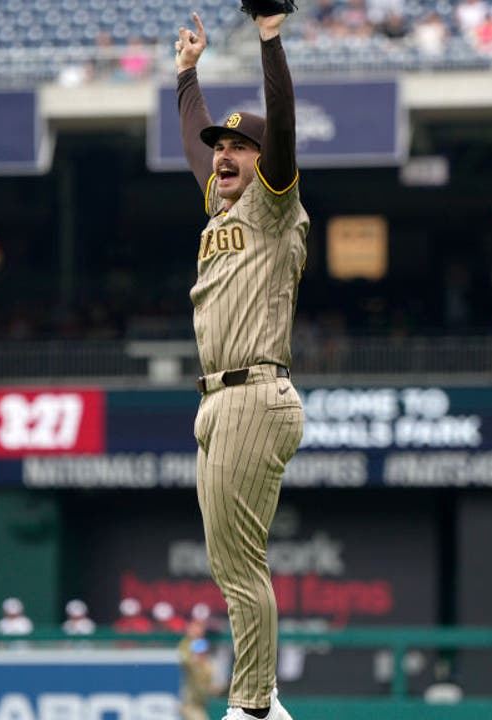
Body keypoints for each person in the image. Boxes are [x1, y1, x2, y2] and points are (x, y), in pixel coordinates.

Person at [174, 8, 307, 720]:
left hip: (256, 390)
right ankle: (266, 704)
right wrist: (185, 75)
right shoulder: (222, 209)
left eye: (237, 147)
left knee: (240, 567)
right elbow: (200, 154)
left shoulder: (274, 206)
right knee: (229, 569)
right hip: (217, 401)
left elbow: (280, 127)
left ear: (263, 162)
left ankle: (253, 707)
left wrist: (269, 42)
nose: (223, 154)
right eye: (220, 145)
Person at [180, 630, 221, 720]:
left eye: (202, 652)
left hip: (202, 705)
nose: (200, 655)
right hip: (190, 706)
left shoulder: (209, 666)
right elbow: (183, 657)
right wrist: (188, 639)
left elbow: (214, 687)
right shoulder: (191, 665)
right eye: (198, 653)